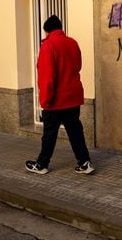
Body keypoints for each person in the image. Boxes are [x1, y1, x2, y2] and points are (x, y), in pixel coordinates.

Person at [25, 15, 94, 175]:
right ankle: (85, 162)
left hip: (56, 100)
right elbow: (77, 66)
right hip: (73, 98)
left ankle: (42, 164)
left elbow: (47, 77)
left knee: (49, 134)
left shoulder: (48, 46)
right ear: (60, 28)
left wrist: (45, 101)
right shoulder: (72, 43)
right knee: (75, 131)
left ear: (47, 31)